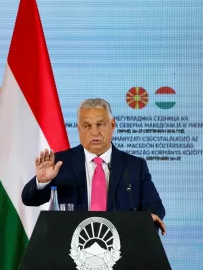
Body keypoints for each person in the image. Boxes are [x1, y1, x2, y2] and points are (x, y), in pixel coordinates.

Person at [22, 98, 166, 235]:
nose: (94, 132)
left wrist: (149, 217)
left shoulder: (134, 166)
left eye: (100, 124)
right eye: (87, 126)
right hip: (71, 246)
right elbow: (29, 199)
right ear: (78, 128)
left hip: (122, 245)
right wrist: (42, 181)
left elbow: (154, 205)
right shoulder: (61, 163)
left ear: (112, 125)